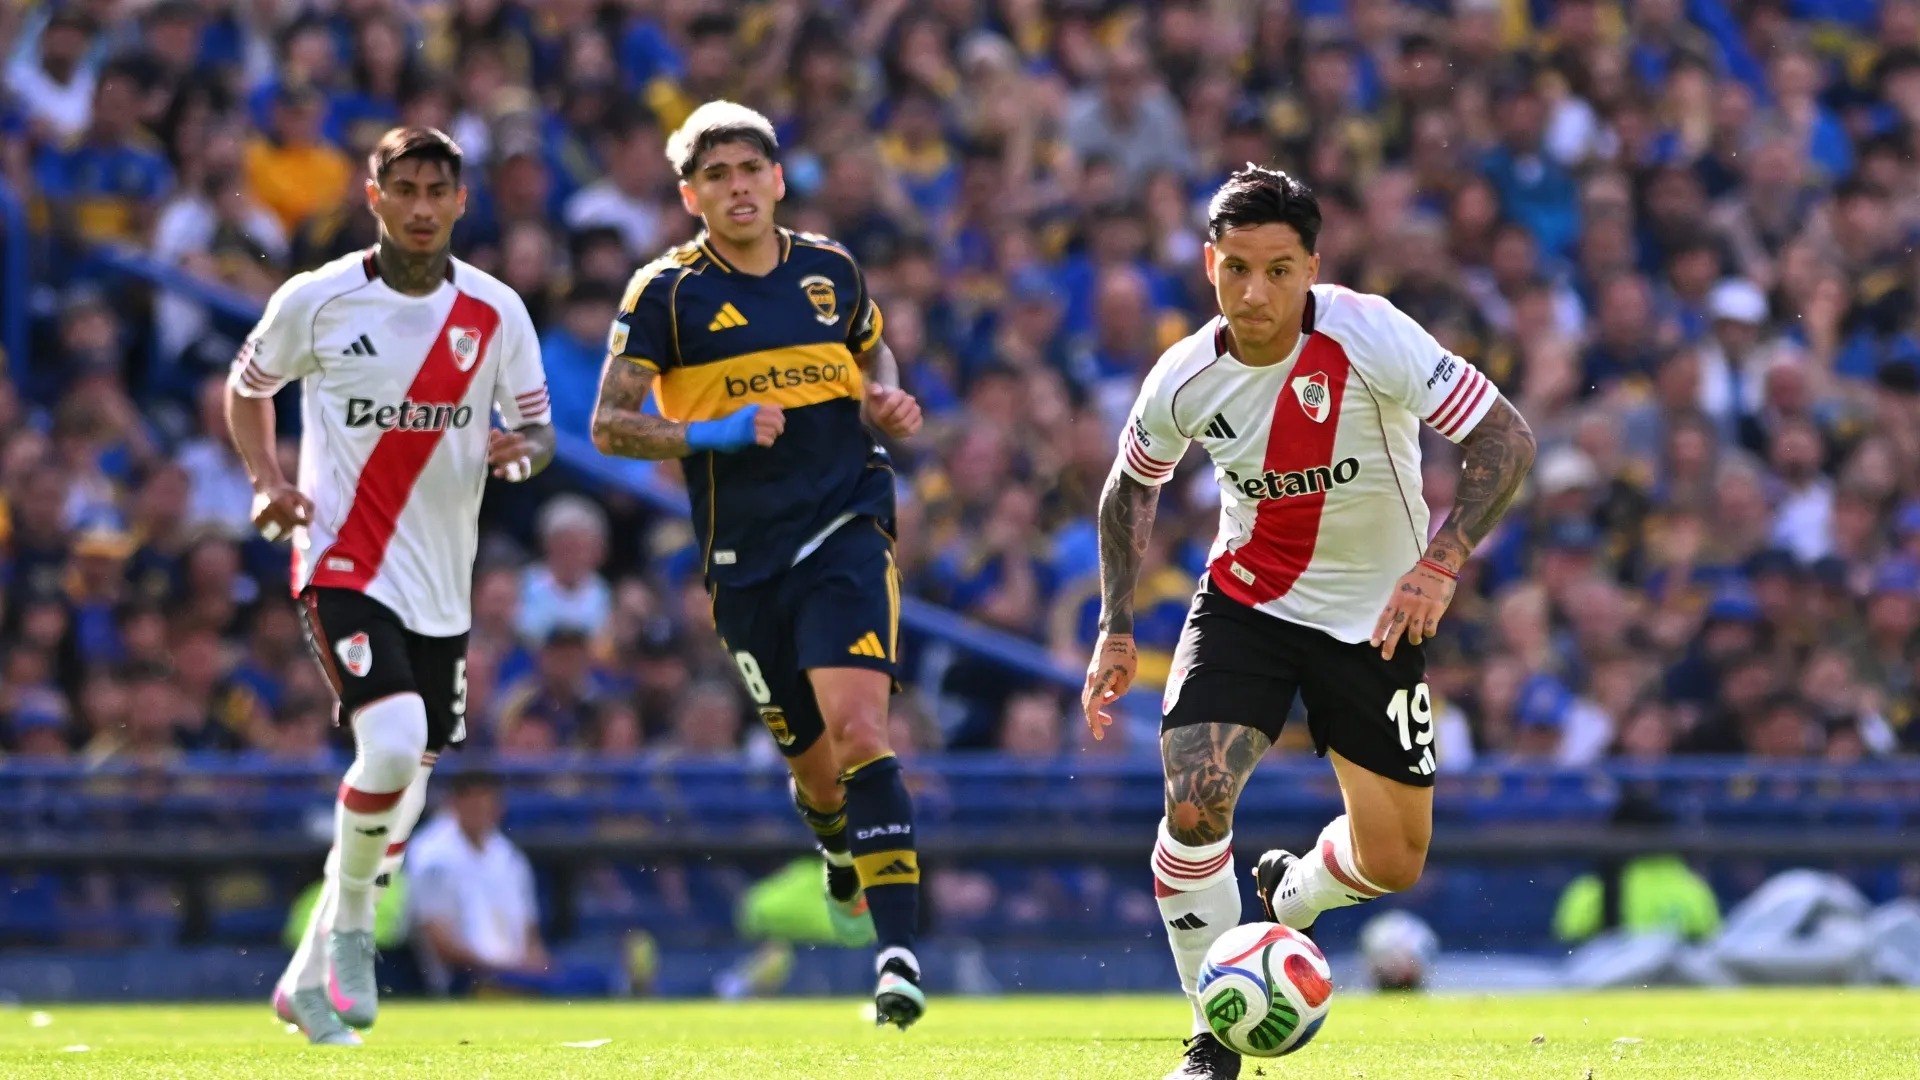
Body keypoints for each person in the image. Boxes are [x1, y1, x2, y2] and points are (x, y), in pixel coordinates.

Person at [1081, 166, 1537, 1080]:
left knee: (1396, 859)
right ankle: (1213, 1039)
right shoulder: (1185, 375)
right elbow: (1129, 488)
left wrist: (1440, 563)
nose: (1256, 292)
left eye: (1279, 270)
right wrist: (1117, 626)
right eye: (1237, 268)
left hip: (1375, 622)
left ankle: (1291, 892)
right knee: (1194, 795)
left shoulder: (1369, 332)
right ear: (1210, 263)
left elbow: (1506, 438)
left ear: (1311, 267)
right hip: (1247, 601)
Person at [589, 100, 928, 1028]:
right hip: (743, 562)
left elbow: (874, 346)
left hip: (847, 524)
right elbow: (609, 424)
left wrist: (886, 393)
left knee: (863, 732)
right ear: (690, 195)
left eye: (751, 171)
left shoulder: (830, 270)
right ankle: (834, 850)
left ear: (777, 180)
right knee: (818, 775)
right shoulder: (665, 294)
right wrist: (713, 432)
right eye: (716, 176)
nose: (737, 188)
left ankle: (898, 956)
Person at [226, 125, 555, 1045]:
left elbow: (538, 432)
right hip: (342, 563)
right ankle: (360, 934)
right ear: (372, 195)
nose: (418, 207)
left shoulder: (496, 312)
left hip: (443, 587)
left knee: (405, 784)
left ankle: (303, 974)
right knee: (395, 744)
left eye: (434, 192)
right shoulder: (318, 299)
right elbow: (247, 385)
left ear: (459, 203)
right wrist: (267, 481)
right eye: (400, 189)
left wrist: (519, 456)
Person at [408, 769, 635, 998]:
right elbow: (438, 940)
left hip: (515, 971)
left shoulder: (508, 857)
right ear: (455, 804)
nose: (480, 812)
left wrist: (536, 964)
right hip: (471, 977)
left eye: (487, 804)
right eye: (473, 805)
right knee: (565, 988)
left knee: (593, 979)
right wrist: (502, 967)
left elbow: (529, 933)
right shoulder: (431, 855)